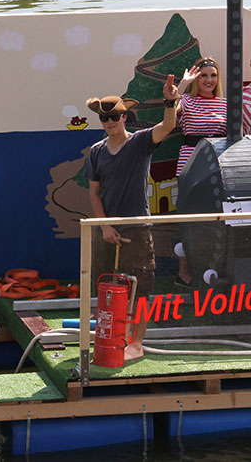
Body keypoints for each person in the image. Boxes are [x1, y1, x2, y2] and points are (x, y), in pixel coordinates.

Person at [85, 75, 179, 361]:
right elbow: (94, 194)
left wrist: (170, 101)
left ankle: (136, 344)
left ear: (125, 117)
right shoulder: (96, 152)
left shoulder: (140, 142)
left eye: (114, 117)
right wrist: (104, 226)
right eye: (105, 119)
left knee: (140, 288)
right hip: (107, 231)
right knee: (106, 287)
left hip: (137, 228)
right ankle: (113, 338)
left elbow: (168, 126)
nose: (110, 123)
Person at [173, 57, 227, 287]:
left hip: (219, 166)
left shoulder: (226, 104)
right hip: (191, 165)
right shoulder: (186, 100)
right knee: (189, 219)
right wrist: (183, 85)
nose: (208, 80)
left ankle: (216, 270)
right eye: (203, 75)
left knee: (217, 220)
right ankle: (184, 273)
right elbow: (169, 114)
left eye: (213, 75)